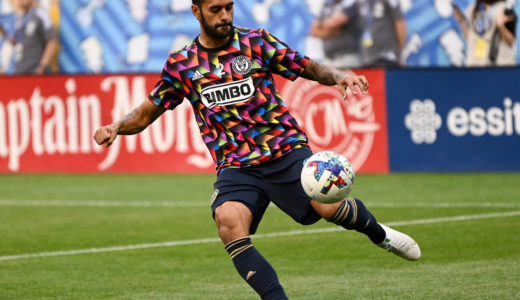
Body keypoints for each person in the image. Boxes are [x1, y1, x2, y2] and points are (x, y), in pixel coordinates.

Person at [93, 0, 421, 298]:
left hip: (285, 150)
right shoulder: (183, 64)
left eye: (229, 8)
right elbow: (147, 112)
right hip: (236, 166)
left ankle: (380, 235)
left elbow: (307, 66)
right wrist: (116, 127)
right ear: (197, 12)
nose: (224, 16)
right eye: (215, 10)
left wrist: (339, 76)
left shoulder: (255, 42)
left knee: (328, 208)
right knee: (228, 221)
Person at [454, 0, 517, 66]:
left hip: (499, 66)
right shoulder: (472, 9)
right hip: (476, 64)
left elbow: (511, 42)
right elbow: (470, 39)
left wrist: (501, 26)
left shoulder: (505, 9)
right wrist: (461, 22)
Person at [5, 0, 57, 74]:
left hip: (34, 70)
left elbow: (51, 41)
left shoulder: (42, 15)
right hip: (19, 69)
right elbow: (17, 42)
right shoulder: (19, 17)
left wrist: (42, 66)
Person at [310, 0, 363, 69]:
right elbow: (314, 30)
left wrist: (323, 26)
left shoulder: (350, 2)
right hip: (329, 59)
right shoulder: (327, 4)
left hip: (347, 57)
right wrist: (333, 31)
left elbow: (336, 22)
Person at [358, 0, 407, 67]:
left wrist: (400, 53)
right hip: (368, 58)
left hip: (388, 57)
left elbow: (400, 24)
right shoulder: (361, 2)